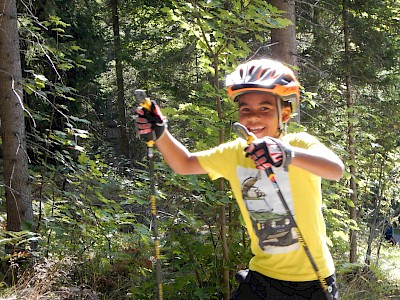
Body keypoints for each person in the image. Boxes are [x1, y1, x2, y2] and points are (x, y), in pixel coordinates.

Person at [135, 58, 344, 299]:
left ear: (284, 113)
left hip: (312, 280)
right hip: (262, 276)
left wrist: (287, 154)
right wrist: (161, 133)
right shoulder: (235, 152)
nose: (254, 117)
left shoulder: (299, 144)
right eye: (246, 109)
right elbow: (184, 163)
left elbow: (335, 170)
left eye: (265, 109)